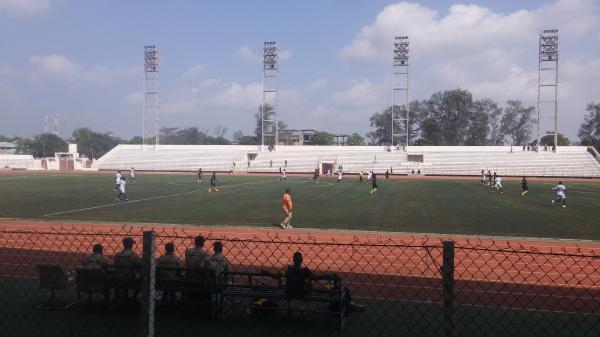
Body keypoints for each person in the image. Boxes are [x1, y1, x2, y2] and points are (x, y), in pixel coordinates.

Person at [114, 237, 142, 302]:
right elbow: (139, 266)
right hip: (131, 279)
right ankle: (133, 297)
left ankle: (121, 298)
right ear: (131, 245)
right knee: (142, 280)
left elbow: (115, 265)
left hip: (119, 279)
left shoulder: (117, 255)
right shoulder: (135, 255)